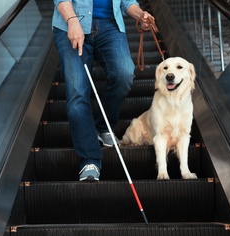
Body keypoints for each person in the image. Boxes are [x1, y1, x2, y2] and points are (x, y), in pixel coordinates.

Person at [52, 0, 155, 181]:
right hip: (72, 22)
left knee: (124, 74)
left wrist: (140, 14)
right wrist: (72, 21)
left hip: (110, 25)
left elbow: (127, 2)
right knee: (77, 93)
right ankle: (90, 159)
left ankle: (103, 126)